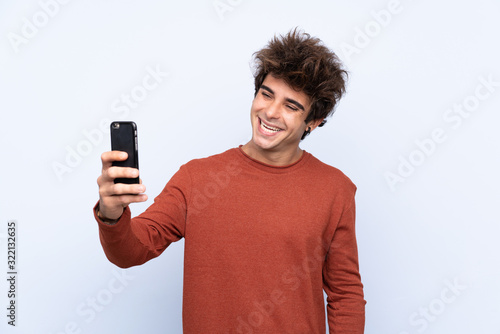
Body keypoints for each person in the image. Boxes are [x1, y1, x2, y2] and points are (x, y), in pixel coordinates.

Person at [94, 28, 366, 333]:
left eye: (291, 106)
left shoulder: (336, 189)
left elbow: (345, 294)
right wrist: (111, 212)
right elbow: (131, 251)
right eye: (266, 94)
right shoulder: (197, 178)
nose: (271, 112)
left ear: (313, 123)